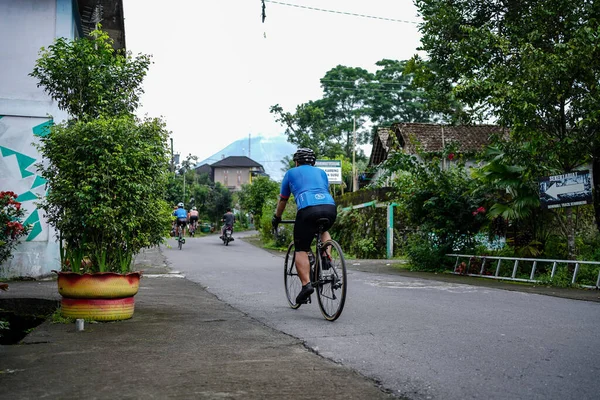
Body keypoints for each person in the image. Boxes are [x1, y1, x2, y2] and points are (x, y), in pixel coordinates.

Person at [271, 148, 336, 305]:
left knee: (301, 248)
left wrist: (277, 218)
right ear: (313, 162)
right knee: (324, 230)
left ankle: (306, 285)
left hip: (308, 209)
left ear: (296, 162)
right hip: (330, 207)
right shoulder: (321, 173)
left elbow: (283, 200)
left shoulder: (291, 173)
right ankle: (327, 256)